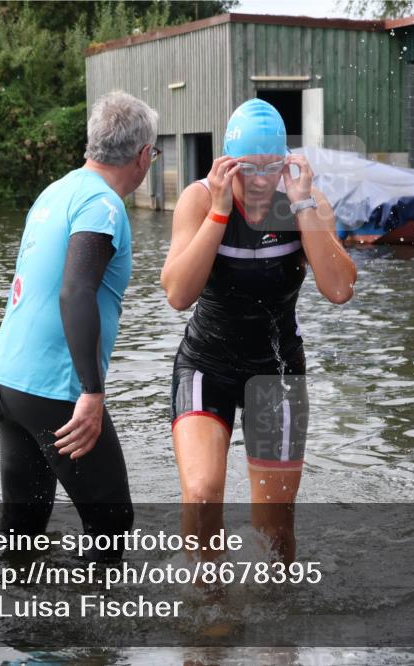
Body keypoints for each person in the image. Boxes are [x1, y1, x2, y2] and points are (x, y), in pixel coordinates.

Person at [161, 99, 357, 564]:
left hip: (277, 371)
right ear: (229, 165)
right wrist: (218, 212)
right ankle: (209, 613)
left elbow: (340, 288)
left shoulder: (306, 201)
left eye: (273, 167)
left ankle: (276, 628)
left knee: (275, 527)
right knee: (204, 494)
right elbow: (177, 294)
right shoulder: (199, 199)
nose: (263, 181)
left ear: (288, 163)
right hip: (206, 362)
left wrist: (304, 205)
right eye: (249, 167)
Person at [0, 91, 159, 563]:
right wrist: (92, 391)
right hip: (53, 388)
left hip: (7, 382)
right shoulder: (103, 205)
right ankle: (92, 633)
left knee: (24, 527)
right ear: (144, 156)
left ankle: (20, 630)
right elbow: (75, 292)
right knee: (111, 521)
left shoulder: (55, 191)